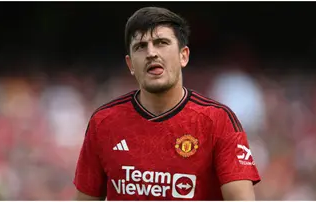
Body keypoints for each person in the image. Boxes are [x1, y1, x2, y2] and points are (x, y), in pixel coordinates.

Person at [74, 6, 260, 200]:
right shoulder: (104, 122)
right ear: (130, 64)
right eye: (140, 46)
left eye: (161, 43)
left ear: (183, 56)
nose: (151, 53)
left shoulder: (218, 121)